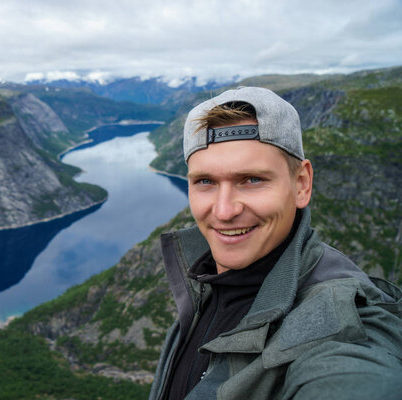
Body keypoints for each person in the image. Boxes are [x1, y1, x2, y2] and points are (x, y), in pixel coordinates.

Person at [147, 86, 402, 400]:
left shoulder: (343, 326)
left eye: (252, 179)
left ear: (301, 185)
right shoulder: (206, 281)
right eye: (205, 182)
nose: (225, 211)